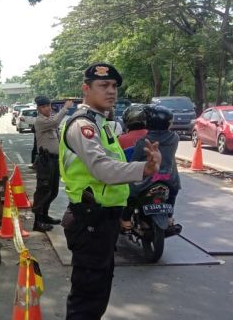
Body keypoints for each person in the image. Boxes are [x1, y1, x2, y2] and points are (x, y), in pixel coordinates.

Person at [59, 63, 161, 320]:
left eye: (114, 86)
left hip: (101, 221)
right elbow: (103, 169)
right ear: (86, 89)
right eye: (103, 86)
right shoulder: (83, 126)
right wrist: (144, 169)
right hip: (89, 221)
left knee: (96, 295)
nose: (111, 91)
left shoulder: (102, 124)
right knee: (87, 300)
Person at [125, 105, 182, 235]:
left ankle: (126, 219)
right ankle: (168, 217)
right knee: (172, 194)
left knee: (130, 194)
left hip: (148, 179)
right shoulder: (175, 138)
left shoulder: (143, 142)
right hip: (168, 178)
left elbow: (134, 161)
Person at [32, 96, 73, 232]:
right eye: (43, 107)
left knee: (53, 191)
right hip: (45, 161)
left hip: (54, 160)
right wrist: (65, 108)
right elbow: (55, 122)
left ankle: (44, 216)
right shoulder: (40, 121)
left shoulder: (49, 119)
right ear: (38, 108)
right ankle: (37, 222)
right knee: (43, 190)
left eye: (48, 105)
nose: (47, 108)